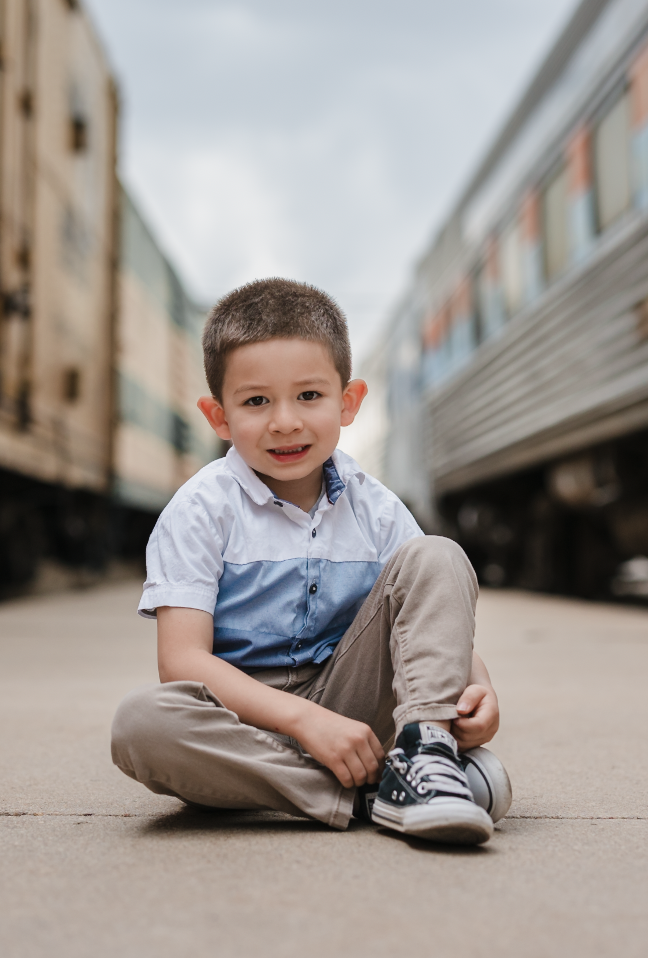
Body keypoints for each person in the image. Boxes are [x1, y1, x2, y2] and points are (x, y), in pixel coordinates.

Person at [110, 278, 511, 844]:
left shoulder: (374, 506)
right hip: (241, 727)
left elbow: (429, 610)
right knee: (141, 725)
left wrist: (479, 689)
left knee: (436, 554)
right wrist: (305, 722)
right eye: (255, 401)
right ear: (218, 416)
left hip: (355, 710)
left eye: (309, 396)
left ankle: (424, 747)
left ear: (348, 403)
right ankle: (375, 792)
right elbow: (182, 663)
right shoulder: (200, 510)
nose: (285, 421)